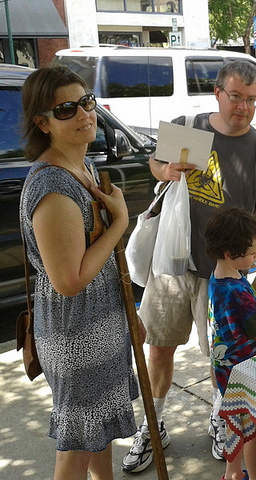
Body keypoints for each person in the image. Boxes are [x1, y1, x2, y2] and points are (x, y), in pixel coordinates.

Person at [121, 61, 256, 472]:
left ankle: (221, 417)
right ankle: (153, 424)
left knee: (226, 356)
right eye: (236, 96)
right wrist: (165, 170)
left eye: (252, 99)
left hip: (226, 272)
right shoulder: (189, 126)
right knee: (159, 345)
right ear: (218, 92)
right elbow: (155, 162)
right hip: (174, 262)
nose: (244, 107)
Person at [19, 65, 139, 480]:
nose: (85, 114)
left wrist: (129, 315)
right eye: (66, 109)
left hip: (101, 323)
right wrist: (120, 221)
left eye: (86, 102)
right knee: (76, 448)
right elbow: (68, 281)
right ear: (43, 122)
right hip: (76, 334)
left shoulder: (81, 168)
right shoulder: (52, 188)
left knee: (99, 431)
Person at [205, 207, 256, 480]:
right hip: (245, 370)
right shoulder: (236, 291)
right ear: (230, 254)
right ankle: (254, 476)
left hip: (226, 368)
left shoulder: (219, 279)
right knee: (253, 430)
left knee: (234, 424)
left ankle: (233, 473)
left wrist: (255, 272)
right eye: (252, 253)